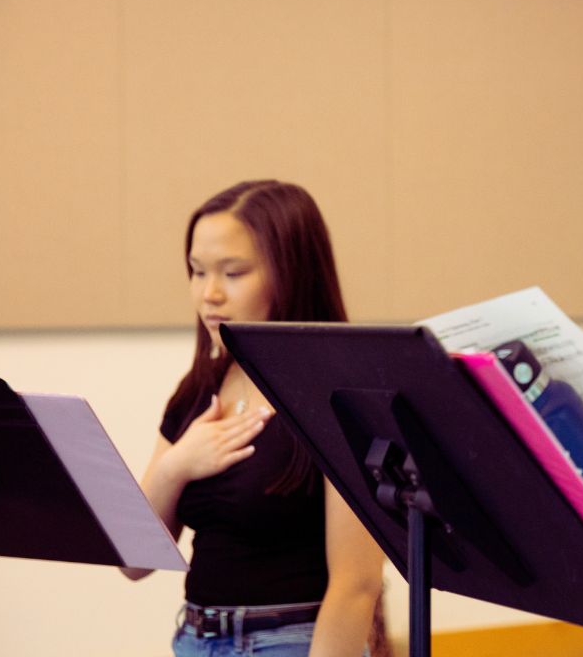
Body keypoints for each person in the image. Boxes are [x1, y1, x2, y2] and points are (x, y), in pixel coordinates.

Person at [124, 180, 388, 657]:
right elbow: (133, 563)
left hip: (289, 642)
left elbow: (356, 586)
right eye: (197, 271)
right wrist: (174, 467)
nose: (210, 294)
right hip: (195, 639)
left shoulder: (339, 396)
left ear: (292, 274)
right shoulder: (198, 389)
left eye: (234, 272)